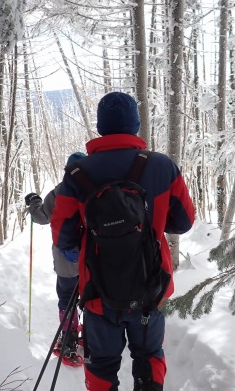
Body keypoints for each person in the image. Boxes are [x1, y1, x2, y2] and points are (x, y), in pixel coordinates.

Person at [51, 92, 195, 391]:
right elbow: (184, 222)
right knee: (149, 355)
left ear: (100, 126)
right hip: (150, 285)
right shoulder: (162, 166)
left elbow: (62, 236)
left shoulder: (77, 174)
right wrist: (151, 224)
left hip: (98, 292)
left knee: (101, 363)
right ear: (135, 124)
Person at [24, 151, 86, 364]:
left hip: (66, 260)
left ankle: (68, 343)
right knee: (92, 297)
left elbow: (41, 217)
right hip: (92, 260)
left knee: (67, 298)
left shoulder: (61, 191)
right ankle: (92, 336)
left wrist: (34, 202)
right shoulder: (98, 189)